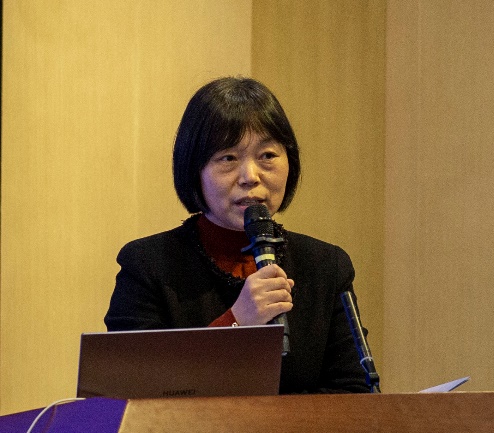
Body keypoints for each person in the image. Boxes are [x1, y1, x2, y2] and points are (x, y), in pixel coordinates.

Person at [104, 76, 372, 393]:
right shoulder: (148, 265)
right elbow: (133, 393)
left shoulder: (327, 266)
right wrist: (236, 322)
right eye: (228, 158)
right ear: (194, 170)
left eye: (267, 155)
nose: (250, 176)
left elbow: (354, 392)